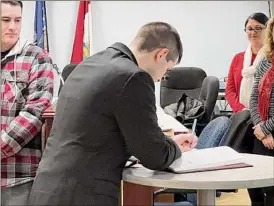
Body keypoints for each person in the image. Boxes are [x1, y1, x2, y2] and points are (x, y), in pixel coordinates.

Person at [28, 22, 197, 206]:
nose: (160, 79)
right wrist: (175, 149)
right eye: (167, 71)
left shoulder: (91, 64)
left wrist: (165, 142)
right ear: (161, 54)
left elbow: (103, 132)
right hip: (82, 196)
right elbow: (154, 155)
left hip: (48, 189)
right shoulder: (134, 78)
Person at [1, 1, 54, 206]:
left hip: (18, 178)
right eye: (5, 20)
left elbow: (34, 112)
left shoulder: (37, 58)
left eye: (17, 20)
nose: (13, 26)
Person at [249, 16, 274, 206]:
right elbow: (253, 98)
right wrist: (260, 127)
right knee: (254, 181)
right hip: (261, 131)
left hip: (268, 129)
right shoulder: (265, 60)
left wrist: (266, 128)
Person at [226, 13, 269, 113]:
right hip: (241, 116)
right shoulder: (237, 58)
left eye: (258, 28)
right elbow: (230, 90)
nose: (253, 32)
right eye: (249, 29)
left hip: (266, 118)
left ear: (268, 30)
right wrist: (242, 110)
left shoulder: (271, 58)